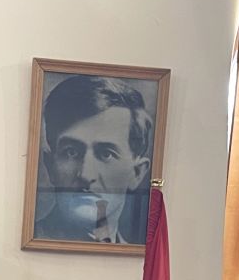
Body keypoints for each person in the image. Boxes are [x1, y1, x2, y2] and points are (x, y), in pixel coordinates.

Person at [34, 75, 153, 244]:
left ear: (137, 173)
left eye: (106, 154)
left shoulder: (146, 259)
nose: (86, 175)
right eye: (71, 152)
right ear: (50, 165)